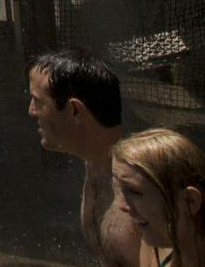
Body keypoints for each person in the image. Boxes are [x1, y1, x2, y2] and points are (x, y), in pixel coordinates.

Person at [28, 47, 140, 267]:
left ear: (75, 111)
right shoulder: (95, 164)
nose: (31, 111)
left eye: (38, 101)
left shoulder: (139, 189)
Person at [111, 129, 205, 267]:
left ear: (190, 201)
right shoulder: (155, 247)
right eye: (119, 187)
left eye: (134, 191)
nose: (121, 205)